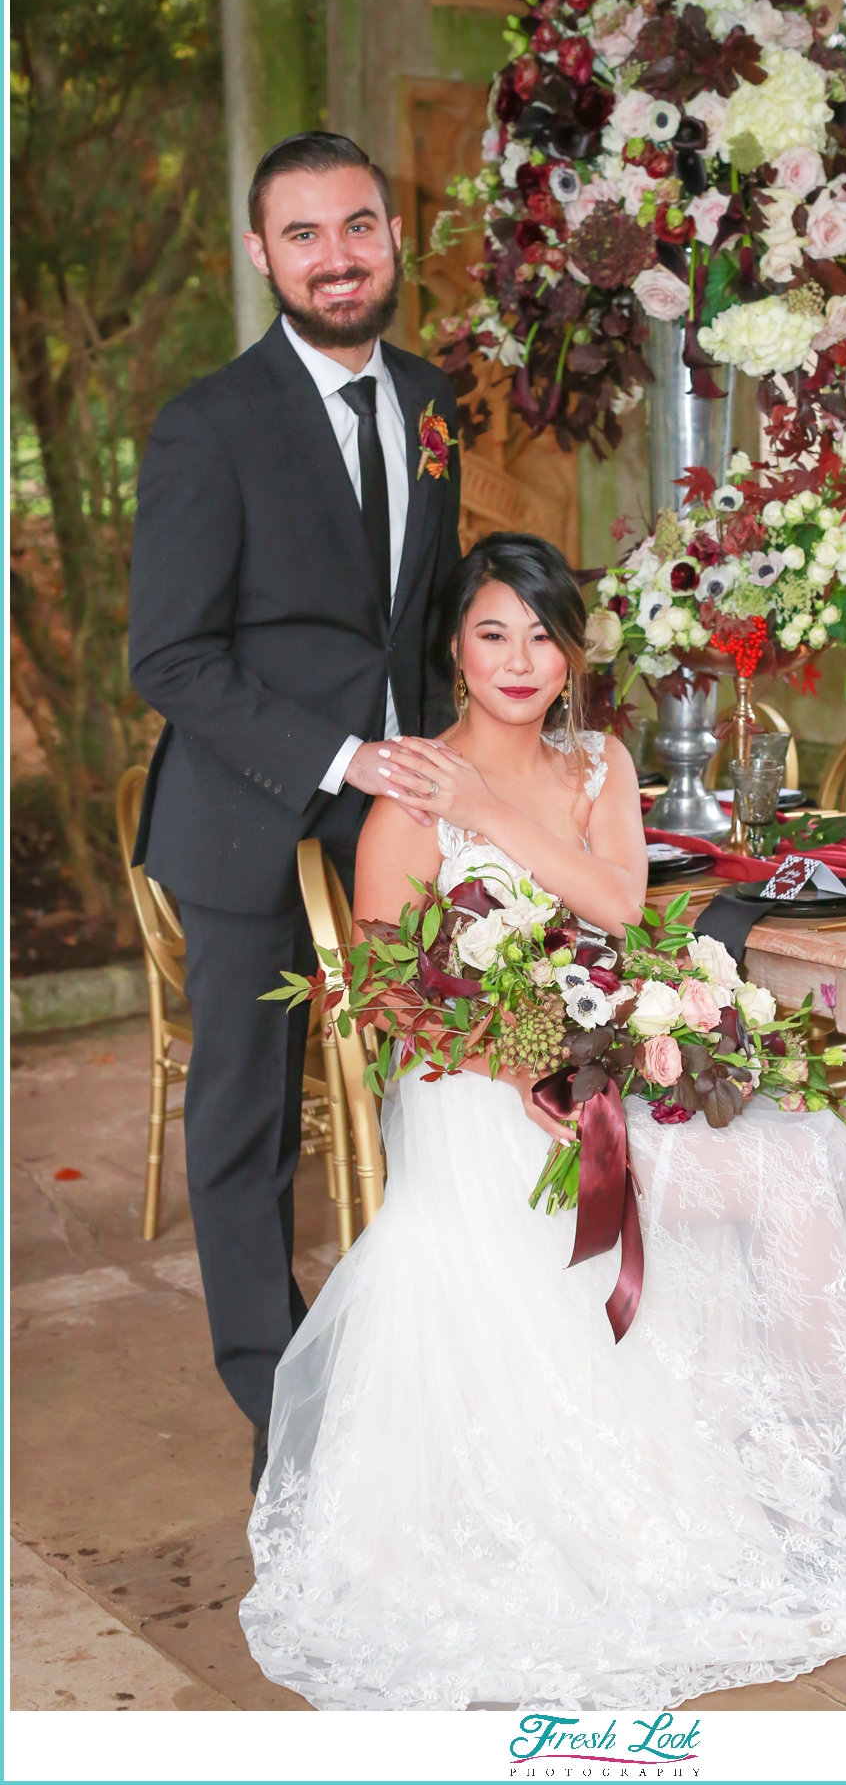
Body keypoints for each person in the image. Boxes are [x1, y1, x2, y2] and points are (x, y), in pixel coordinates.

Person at [239, 533, 846, 1712]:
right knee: (778, 1169)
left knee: (803, 1151)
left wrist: (517, 849)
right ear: (455, 652)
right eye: (492, 633)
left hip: (598, 1054)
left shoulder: (597, 764)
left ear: (572, 656)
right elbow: (393, 1003)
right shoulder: (410, 788)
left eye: (542, 635)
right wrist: (514, 1056)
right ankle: (820, 1463)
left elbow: (618, 905)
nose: (520, 660)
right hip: (477, 1092)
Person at [127, 132, 461, 1491]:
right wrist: (340, 755)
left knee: (450, 1071)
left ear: (394, 237)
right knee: (249, 1117)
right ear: (260, 254)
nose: (338, 256)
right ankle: (279, 1401)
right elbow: (171, 657)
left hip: (398, 812)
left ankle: (432, 1352)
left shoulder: (435, 399)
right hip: (247, 812)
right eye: (306, 234)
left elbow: (420, 617)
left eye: (359, 227)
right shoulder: (209, 424)